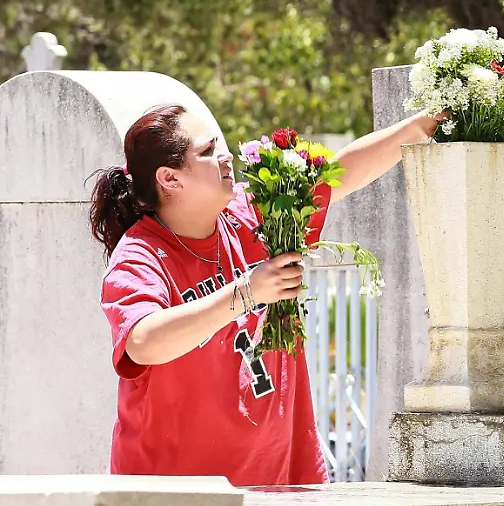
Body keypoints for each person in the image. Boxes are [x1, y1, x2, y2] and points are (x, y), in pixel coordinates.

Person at [89, 104, 441, 486]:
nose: (224, 156)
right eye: (207, 152)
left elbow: (340, 175)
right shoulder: (140, 254)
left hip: (281, 479)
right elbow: (142, 342)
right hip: (175, 497)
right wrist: (246, 292)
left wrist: (424, 123)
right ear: (170, 179)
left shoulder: (249, 218)